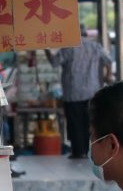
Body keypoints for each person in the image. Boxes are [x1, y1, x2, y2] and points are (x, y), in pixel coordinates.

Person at [47, 24, 113, 159]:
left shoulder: (68, 49)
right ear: (85, 33)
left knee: (75, 123)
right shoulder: (95, 46)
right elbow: (108, 60)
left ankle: (78, 152)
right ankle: (93, 152)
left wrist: (45, 49)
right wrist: (108, 75)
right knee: (91, 123)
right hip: (92, 91)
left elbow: (54, 62)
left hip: (73, 93)